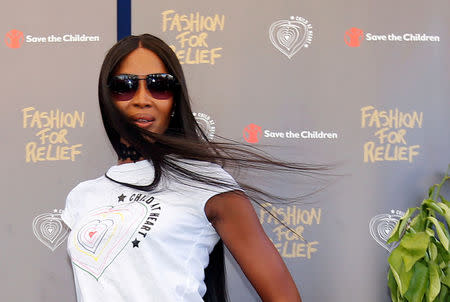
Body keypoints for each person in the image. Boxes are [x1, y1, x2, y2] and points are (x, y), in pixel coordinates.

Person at [61, 33, 308, 302]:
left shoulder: (206, 183)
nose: (142, 99)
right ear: (107, 98)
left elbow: (283, 296)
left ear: (175, 99)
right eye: (125, 85)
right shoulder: (82, 197)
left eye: (159, 85)